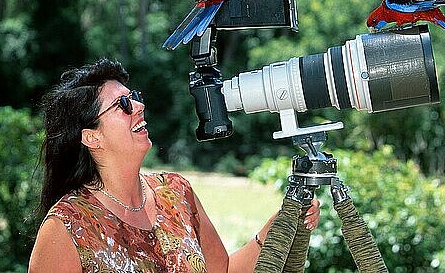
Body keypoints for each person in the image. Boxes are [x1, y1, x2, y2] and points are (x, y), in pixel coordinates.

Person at [28, 58, 320, 272]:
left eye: (135, 99)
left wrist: (278, 226)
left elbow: (225, 271)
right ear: (92, 137)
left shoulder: (176, 192)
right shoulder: (67, 226)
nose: (139, 107)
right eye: (123, 105)